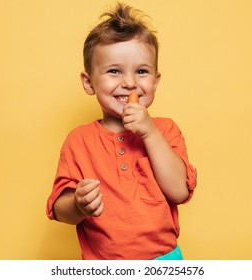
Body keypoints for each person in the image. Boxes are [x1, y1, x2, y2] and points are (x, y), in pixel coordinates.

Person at [46, 2, 197, 260]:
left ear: (155, 81)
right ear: (88, 82)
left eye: (141, 71)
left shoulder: (165, 130)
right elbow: (60, 209)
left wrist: (149, 133)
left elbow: (179, 191)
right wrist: (78, 204)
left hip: (164, 261)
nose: (129, 83)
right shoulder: (79, 141)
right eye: (114, 71)